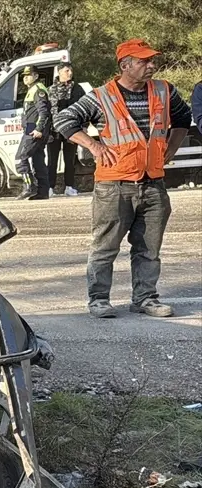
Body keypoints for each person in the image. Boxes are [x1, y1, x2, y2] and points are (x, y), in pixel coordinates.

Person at [53, 39, 192, 319]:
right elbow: (63, 121)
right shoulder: (101, 96)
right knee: (105, 248)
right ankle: (99, 300)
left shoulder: (164, 91)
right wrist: (94, 146)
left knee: (149, 248)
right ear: (125, 65)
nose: (151, 66)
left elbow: (183, 119)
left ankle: (145, 298)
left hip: (153, 183)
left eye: (152, 61)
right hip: (114, 185)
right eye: (144, 61)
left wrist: (169, 150)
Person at [46, 62, 86, 196]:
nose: (70, 73)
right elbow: (46, 111)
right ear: (59, 72)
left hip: (71, 129)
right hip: (54, 130)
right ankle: (50, 187)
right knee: (52, 160)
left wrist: (84, 127)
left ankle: (69, 186)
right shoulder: (50, 89)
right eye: (67, 71)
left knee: (69, 160)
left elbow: (85, 109)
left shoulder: (78, 89)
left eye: (71, 70)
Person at [15, 67, 52, 200]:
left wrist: (39, 129)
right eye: (24, 75)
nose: (25, 77)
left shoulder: (38, 90)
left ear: (36, 76)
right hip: (33, 130)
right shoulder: (33, 90)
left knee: (20, 158)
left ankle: (29, 187)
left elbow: (44, 112)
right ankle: (43, 192)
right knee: (38, 161)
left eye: (29, 75)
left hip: (33, 132)